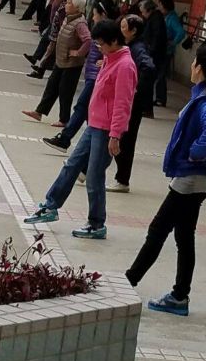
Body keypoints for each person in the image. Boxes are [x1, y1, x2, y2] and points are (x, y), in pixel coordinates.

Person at [126, 45, 206, 316]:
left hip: (191, 179)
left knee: (158, 230)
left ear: (200, 68)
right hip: (198, 179)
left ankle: (128, 282)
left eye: (195, 61)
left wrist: (196, 152)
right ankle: (179, 295)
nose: (192, 65)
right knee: (184, 236)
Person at [24, 18, 138, 239]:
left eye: (101, 44)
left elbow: (123, 104)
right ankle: (50, 206)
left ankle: (96, 223)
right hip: (94, 125)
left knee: (94, 177)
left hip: (106, 130)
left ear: (114, 41)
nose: (99, 48)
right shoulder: (110, 58)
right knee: (72, 165)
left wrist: (115, 135)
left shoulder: (125, 66)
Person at [42, 3, 109, 153]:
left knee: (81, 107)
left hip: (96, 77)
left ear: (103, 14)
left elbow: (109, 50)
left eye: (95, 14)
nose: (93, 17)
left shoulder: (106, 32)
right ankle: (90, 144)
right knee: (87, 111)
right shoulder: (99, 29)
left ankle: (65, 139)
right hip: (92, 75)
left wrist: (104, 59)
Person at [22, 0, 91, 126]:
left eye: (69, 3)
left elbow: (88, 40)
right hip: (61, 60)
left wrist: (78, 53)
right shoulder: (68, 18)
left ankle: (64, 119)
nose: (66, 5)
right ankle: (39, 112)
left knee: (65, 91)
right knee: (51, 86)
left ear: (77, 7)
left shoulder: (80, 23)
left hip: (72, 64)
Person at [109, 14, 156, 193]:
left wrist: (136, 90)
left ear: (133, 30)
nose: (120, 30)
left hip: (132, 104)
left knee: (126, 142)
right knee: (114, 137)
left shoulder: (138, 48)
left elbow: (149, 68)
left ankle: (122, 180)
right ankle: (84, 168)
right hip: (126, 101)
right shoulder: (129, 46)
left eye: (123, 27)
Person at [154, 0, 187, 108]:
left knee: (161, 75)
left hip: (167, 51)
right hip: (162, 49)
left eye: (160, 5)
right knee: (159, 75)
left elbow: (181, 32)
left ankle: (160, 99)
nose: (159, 7)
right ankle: (159, 98)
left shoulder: (172, 18)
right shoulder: (166, 17)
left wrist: (173, 42)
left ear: (165, 6)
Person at [26, 0, 67, 77]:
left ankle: (42, 69)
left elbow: (61, 22)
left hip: (57, 34)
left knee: (51, 52)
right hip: (54, 31)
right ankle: (41, 68)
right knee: (49, 50)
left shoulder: (64, 8)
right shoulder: (58, 5)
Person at [140, 0, 168, 117]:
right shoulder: (154, 18)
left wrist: (150, 52)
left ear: (148, 10)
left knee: (148, 82)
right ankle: (146, 108)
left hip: (154, 55)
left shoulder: (156, 19)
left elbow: (157, 38)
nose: (142, 14)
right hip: (152, 53)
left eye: (143, 12)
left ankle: (147, 109)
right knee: (147, 82)